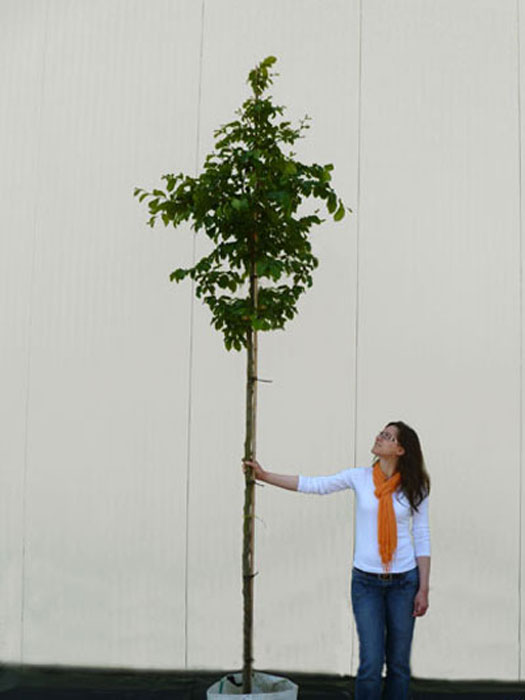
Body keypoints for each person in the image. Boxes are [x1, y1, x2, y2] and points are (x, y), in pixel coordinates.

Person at [242, 420, 431, 700]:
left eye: (388, 436)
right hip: (366, 583)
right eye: (381, 432)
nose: (379, 437)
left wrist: (423, 588)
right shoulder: (360, 477)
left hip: (405, 582)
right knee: (370, 664)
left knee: (399, 666)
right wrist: (266, 476)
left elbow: (422, 534)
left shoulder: (416, 486)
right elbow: (314, 484)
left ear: (401, 449)